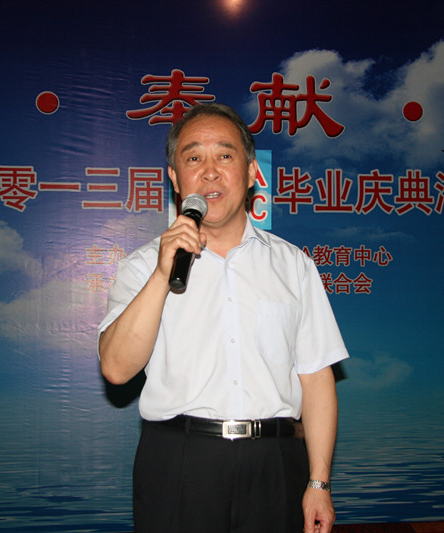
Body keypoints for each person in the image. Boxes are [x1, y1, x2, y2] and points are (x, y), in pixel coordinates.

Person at [98, 103, 349, 533]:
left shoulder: (293, 265)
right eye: (194, 158)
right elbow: (117, 369)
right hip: (180, 463)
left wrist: (319, 482)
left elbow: (316, 378)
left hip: (276, 464)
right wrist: (162, 274)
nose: (210, 172)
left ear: (251, 172)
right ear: (175, 177)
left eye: (225, 155)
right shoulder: (142, 267)